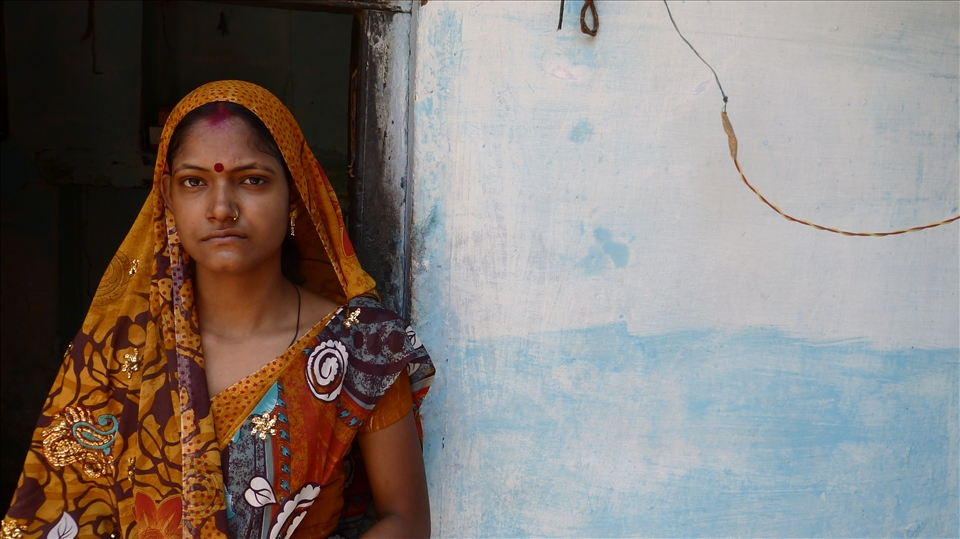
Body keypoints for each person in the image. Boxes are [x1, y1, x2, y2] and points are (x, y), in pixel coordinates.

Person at [2, 81, 434, 539]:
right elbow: (59, 512)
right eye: (195, 182)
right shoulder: (120, 350)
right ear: (167, 197)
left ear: (294, 192)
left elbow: (404, 519)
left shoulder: (362, 344)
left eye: (253, 180)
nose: (222, 208)